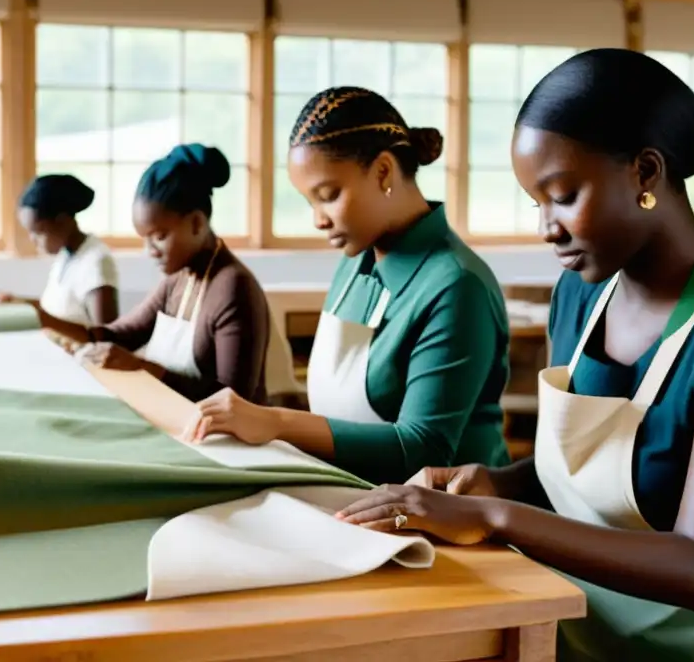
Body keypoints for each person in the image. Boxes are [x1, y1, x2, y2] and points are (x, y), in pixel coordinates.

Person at [334, 49, 694, 661]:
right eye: (536, 203)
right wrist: (497, 484)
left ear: (645, 173)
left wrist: (496, 517)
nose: (545, 227)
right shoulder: (579, 296)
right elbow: (592, 471)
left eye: (563, 195)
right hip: (569, 618)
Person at [183, 87, 512, 485]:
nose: (318, 220)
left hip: (448, 521)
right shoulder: (355, 262)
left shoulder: (457, 287)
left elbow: (423, 449)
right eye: (310, 203)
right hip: (356, 491)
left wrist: (274, 422)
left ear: (383, 172)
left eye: (329, 196)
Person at [13, 143, 273, 404]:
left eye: (159, 237)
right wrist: (40, 317)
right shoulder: (177, 280)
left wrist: (142, 367)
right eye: (144, 239)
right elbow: (117, 335)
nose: (150, 251)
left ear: (197, 223)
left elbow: (235, 402)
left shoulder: (233, 288)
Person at [0, 174, 119, 327]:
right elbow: (59, 310)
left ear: (63, 221)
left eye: (38, 231)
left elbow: (106, 335)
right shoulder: (66, 255)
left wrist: (41, 317)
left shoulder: (96, 262)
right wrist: (20, 303)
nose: (32, 239)